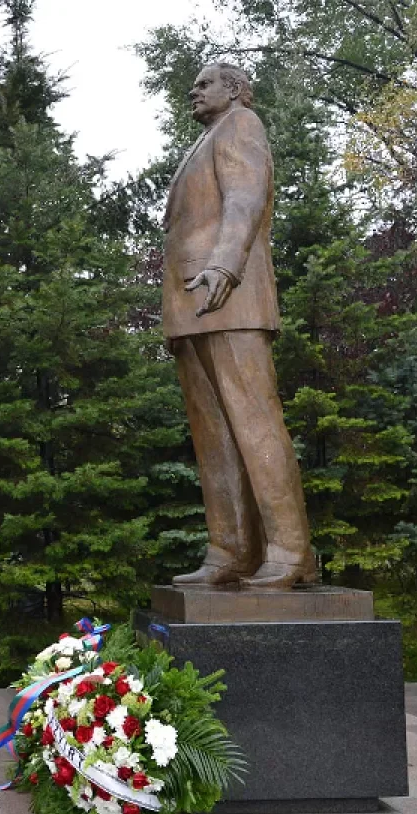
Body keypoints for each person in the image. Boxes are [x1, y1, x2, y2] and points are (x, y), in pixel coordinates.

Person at [163, 63, 315, 589]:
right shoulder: (207, 139)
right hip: (193, 302)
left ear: (234, 89)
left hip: (231, 292)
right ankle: (230, 550)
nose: (194, 90)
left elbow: (245, 199)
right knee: (214, 436)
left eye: (205, 83)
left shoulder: (241, 125)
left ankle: (291, 551)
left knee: (254, 422)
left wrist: (225, 263)